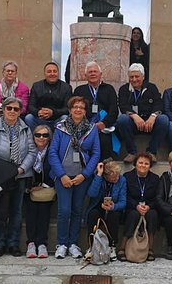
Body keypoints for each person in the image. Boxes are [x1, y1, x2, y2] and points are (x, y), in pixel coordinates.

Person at [0, 96, 36, 257]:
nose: (12, 111)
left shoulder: (26, 129)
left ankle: (13, 243)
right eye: (9, 108)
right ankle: (0, 243)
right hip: (0, 177)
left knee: (16, 211)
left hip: (19, 176)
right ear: (3, 110)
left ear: (20, 112)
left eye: (16, 109)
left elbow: (32, 152)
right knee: (0, 210)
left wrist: (21, 169)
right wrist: (1, 171)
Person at [49, 96, 101, 259]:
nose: (78, 109)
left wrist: (84, 175)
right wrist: (62, 175)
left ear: (86, 111)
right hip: (63, 176)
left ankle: (73, 243)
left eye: (81, 107)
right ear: (70, 110)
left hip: (81, 177)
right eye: (75, 107)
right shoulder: (60, 128)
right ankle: (62, 243)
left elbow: (96, 153)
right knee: (64, 210)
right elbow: (52, 153)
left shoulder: (91, 129)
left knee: (77, 210)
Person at [116, 63, 169, 163]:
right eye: (131, 77)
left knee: (164, 119)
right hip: (133, 124)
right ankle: (132, 152)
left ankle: (151, 152)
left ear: (143, 77)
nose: (134, 79)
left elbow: (158, 103)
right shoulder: (124, 89)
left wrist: (153, 116)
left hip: (149, 124)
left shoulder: (152, 87)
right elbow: (123, 106)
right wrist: (134, 116)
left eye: (137, 76)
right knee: (122, 119)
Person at [118, 152, 160, 262]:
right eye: (140, 162)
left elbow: (157, 198)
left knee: (153, 215)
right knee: (133, 215)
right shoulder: (127, 177)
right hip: (132, 206)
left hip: (149, 207)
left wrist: (149, 207)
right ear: (135, 164)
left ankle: (150, 248)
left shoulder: (155, 179)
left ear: (150, 166)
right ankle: (122, 247)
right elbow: (124, 195)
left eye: (146, 163)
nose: (143, 165)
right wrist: (136, 206)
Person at [73, 61, 119, 160]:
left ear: (100, 74)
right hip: (85, 125)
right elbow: (75, 110)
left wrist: (104, 123)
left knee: (104, 138)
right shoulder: (79, 90)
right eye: (90, 72)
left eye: (95, 71)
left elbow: (114, 110)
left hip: (104, 125)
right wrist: (88, 125)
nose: (93, 73)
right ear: (85, 75)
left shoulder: (109, 89)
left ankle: (105, 164)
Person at [86, 160, 127, 259]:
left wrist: (114, 206)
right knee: (93, 214)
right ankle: (92, 246)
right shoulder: (99, 179)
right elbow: (91, 194)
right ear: (106, 176)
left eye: (117, 176)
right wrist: (99, 175)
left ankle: (112, 246)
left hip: (114, 208)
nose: (116, 179)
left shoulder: (122, 180)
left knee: (114, 215)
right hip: (98, 207)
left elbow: (123, 201)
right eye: (113, 178)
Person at [25, 125, 55, 259]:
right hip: (29, 188)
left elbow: (55, 170)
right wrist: (30, 187)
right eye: (38, 135)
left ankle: (42, 243)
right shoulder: (28, 150)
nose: (41, 138)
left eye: (45, 135)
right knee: (31, 211)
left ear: (49, 138)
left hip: (47, 188)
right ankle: (31, 243)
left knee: (44, 211)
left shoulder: (53, 151)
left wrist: (43, 185)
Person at [26, 61, 72, 132]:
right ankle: (35, 140)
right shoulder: (36, 86)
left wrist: (53, 112)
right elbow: (31, 106)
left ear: (58, 73)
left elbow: (67, 109)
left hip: (57, 119)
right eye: (49, 71)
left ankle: (61, 141)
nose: (52, 74)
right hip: (40, 119)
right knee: (29, 118)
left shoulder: (66, 87)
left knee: (65, 118)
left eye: (55, 71)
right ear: (44, 73)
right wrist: (38, 112)